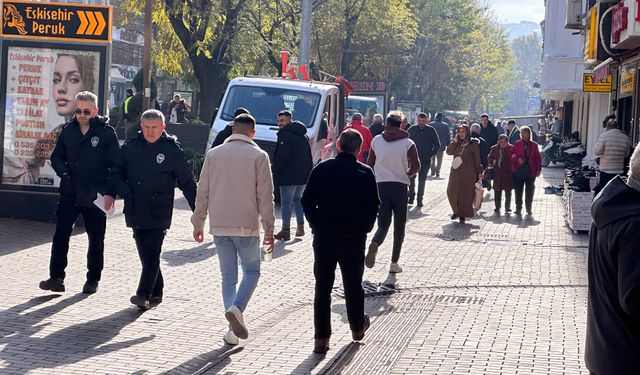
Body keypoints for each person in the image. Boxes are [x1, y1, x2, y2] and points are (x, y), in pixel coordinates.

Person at [191, 113, 275, 345]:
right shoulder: (259, 156)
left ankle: (232, 330)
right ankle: (237, 309)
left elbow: (203, 191)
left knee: (228, 276)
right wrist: (269, 229)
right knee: (252, 271)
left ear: (232, 130)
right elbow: (266, 197)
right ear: (253, 133)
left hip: (219, 224)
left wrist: (198, 222)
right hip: (247, 225)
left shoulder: (214, 154)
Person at [107, 109, 197, 310]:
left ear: (163, 128)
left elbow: (187, 182)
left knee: (152, 250)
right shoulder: (130, 148)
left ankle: (143, 295)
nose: (150, 132)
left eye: (154, 128)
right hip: (135, 207)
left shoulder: (172, 150)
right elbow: (115, 174)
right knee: (146, 253)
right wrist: (123, 193)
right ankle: (157, 290)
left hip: (159, 209)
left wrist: (197, 210)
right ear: (141, 127)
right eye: (146, 127)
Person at [302, 129, 380, 354]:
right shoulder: (365, 173)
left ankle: (321, 338)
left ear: (338, 145)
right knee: (353, 285)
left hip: (325, 236)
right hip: (353, 238)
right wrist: (365, 228)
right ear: (358, 148)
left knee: (323, 288)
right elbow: (374, 205)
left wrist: (315, 224)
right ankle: (357, 327)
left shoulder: (322, 169)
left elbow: (306, 200)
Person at [39, 91, 119, 294]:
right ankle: (56, 277)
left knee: (95, 239)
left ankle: (93, 279)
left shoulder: (107, 133)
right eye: (78, 111)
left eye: (86, 111)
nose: (82, 115)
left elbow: (116, 166)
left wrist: (110, 193)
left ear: (95, 111)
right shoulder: (68, 131)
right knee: (60, 235)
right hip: (70, 192)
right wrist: (64, 173)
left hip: (96, 195)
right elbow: (57, 157)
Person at [586, 143, 640, 374]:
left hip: (605, 352)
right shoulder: (635, 222)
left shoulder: (612, 205)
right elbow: (634, 298)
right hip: (627, 357)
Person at [365, 111, 420, 273]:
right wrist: (407, 173)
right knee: (399, 227)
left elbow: (370, 164)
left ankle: (375, 243)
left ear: (386, 124)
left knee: (383, 224)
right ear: (401, 125)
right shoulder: (408, 143)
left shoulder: (376, 140)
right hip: (400, 187)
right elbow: (416, 166)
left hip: (381, 186)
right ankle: (394, 263)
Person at [272, 110, 313, 241]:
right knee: (297, 199)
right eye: (278, 121)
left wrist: (274, 169)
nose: (279, 124)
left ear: (289, 120)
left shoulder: (285, 135)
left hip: (288, 174)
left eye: (282, 121)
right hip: (303, 174)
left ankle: (286, 230)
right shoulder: (303, 134)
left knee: (286, 202)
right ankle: (300, 227)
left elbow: (282, 156)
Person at [446, 124, 483, 223]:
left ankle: (462, 214)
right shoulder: (456, 143)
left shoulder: (473, 143)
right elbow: (448, 152)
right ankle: (456, 211)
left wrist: (480, 171)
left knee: (464, 195)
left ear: (467, 132)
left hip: (468, 173)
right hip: (455, 172)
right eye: (459, 132)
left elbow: (477, 159)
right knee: (451, 192)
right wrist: (454, 142)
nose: (461, 134)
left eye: (463, 132)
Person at [407, 112, 440, 206]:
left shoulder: (431, 130)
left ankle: (419, 199)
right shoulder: (412, 129)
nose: (421, 122)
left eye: (423, 121)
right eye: (420, 120)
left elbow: (437, 144)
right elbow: (406, 142)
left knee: (422, 180)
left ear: (427, 121)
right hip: (413, 159)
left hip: (425, 159)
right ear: (417, 120)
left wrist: (431, 154)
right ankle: (411, 196)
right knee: (411, 179)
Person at [593, 119, 631, 195]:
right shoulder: (625, 138)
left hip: (606, 170)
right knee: (615, 193)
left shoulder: (604, 136)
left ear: (607, 127)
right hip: (619, 170)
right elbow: (627, 154)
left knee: (603, 191)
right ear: (617, 127)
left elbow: (596, 152)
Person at [509, 126, 542, 216]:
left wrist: (539, 169)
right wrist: (517, 158)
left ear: (529, 134)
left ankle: (528, 208)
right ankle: (518, 208)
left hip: (531, 171)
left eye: (525, 133)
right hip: (519, 171)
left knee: (529, 190)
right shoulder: (517, 144)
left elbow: (538, 158)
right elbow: (511, 155)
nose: (523, 135)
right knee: (518, 190)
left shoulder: (534, 145)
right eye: (522, 133)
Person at [488, 134, 514, 214]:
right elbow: (489, 157)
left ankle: (507, 207)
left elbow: (514, 158)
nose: (503, 144)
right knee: (497, 191)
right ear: (498, 142)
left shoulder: (511, 148)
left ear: (507, 142)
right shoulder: (494, 148)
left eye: (505, 142)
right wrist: (492, 161)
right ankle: (497, 207)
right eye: (501, 142)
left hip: (507, 174)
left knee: (508, 192)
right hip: (497, 173)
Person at [429, 112, 451, 177]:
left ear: (436, 117)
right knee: (440, 159)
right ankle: (437, 171)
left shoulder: (431, 124)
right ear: (442, 118)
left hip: (432, 145)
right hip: (441, 145)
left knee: (432, 158)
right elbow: (448, 135)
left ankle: (432, 171)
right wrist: (448, 144)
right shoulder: (445, 125)